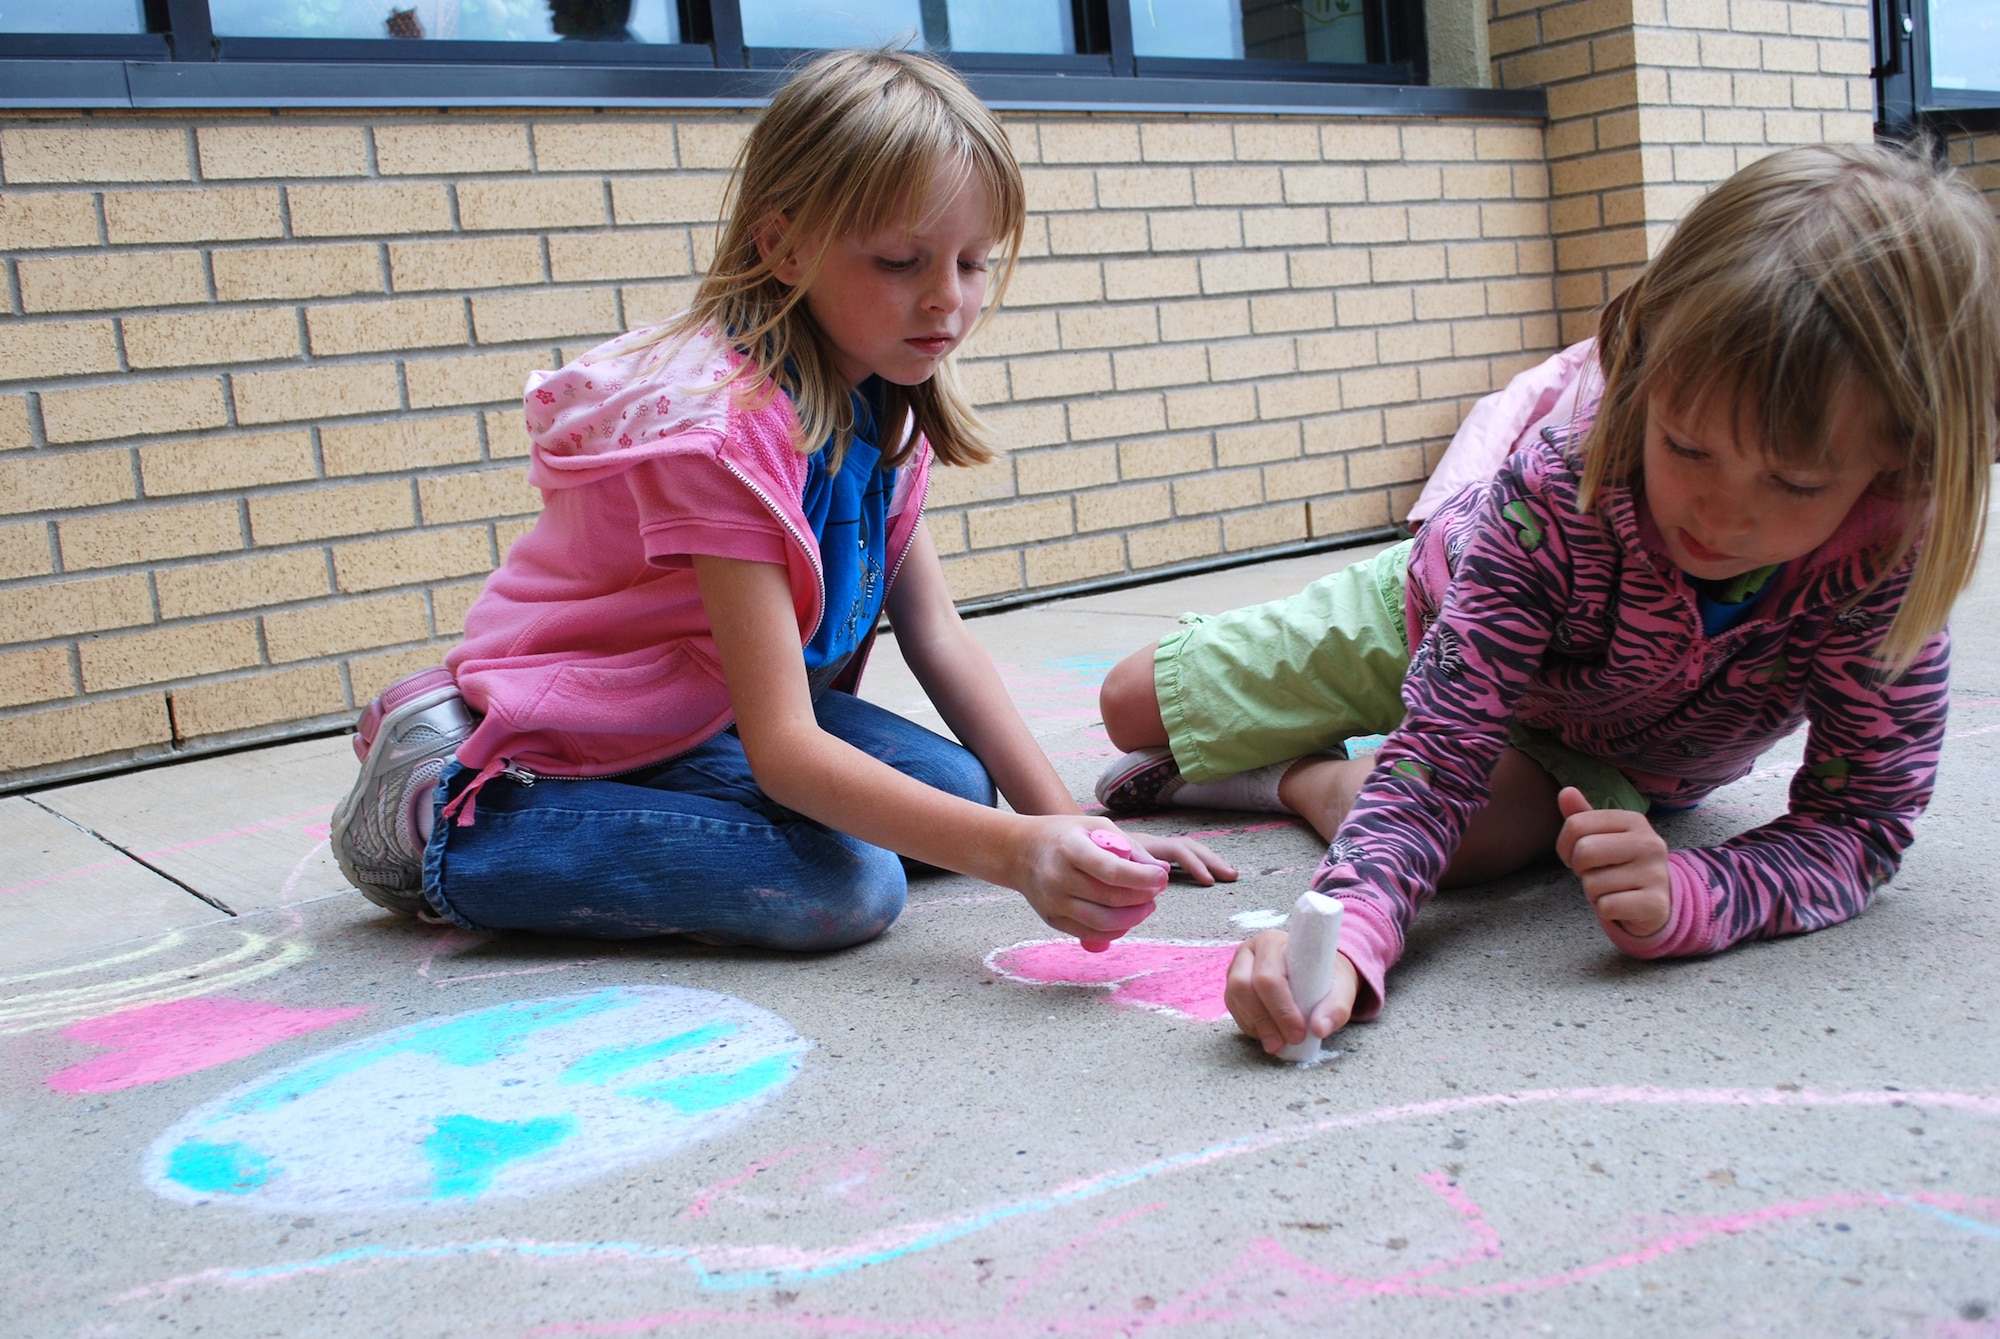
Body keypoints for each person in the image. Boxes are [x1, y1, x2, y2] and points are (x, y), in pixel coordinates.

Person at [1089, 142, 2000, 1053]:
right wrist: (1355, 925)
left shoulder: (1883, 571)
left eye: (1794, 484)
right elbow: (1444, 751)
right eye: (1685, 448)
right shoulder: (1561, 488)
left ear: (1900, 464)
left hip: (1617, 751)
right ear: (1646, 370)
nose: (1721, 516)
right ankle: (1267, 746)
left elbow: (1859, 821)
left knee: (1472, 846)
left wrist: (1699, 894)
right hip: (1434, 611)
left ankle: (1278, 777)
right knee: (1131, 702)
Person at [331, 48, 1233, 950]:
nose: (945, 300)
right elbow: (786, 749)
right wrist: (1015, 857)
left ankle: (633, 802)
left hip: (703, 705)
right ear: (784, 244)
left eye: (972, 262)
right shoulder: (725, 433)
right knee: (843, 884)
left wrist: (1070, 829)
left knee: (961, 792)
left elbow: (938, 635)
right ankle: (457, 830)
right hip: (581, 723)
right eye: (898, 260)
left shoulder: (880, 399)